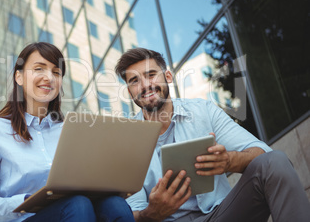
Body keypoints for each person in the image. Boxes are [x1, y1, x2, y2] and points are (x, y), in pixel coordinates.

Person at [115, 47, 310, 222]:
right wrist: (151, 213)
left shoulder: (203, 111)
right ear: (130, 92)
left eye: (151, 75)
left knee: (275, 162)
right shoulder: (127, 141)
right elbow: (134, 211)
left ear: (168, 77)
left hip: (222, 214)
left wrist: (229, 161)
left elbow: (263, 153)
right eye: (134, 81)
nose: (145, 85)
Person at [0, 42, 134, 222]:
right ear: (19, 77)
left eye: (56, 72)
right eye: (39, 69)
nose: (49, 77)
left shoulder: (71, 131)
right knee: (77, 205)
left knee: (115, 204)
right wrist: (25, 202)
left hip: (75, 213)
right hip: (24, 218)